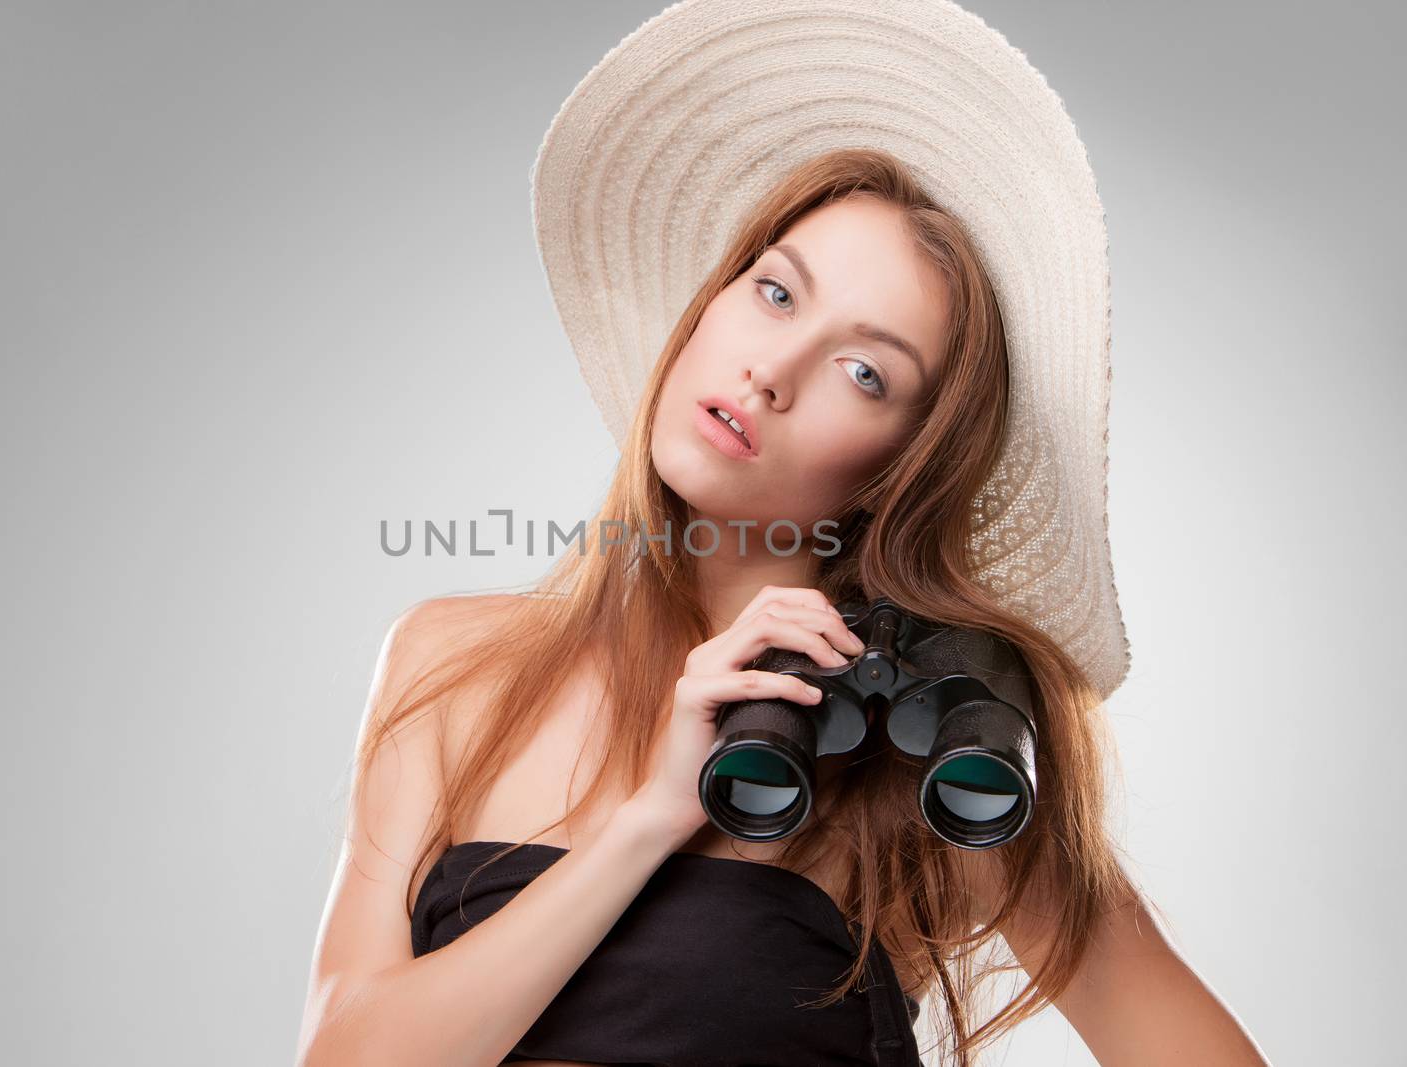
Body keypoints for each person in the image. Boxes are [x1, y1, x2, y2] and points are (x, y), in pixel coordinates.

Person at [297, 2, 1273, 1064]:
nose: (773, 369)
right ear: (707, 303)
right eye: (773, 291)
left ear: (900, 466)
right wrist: (654, 817)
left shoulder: (922, 739)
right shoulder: (447, 661)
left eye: (865, 371)